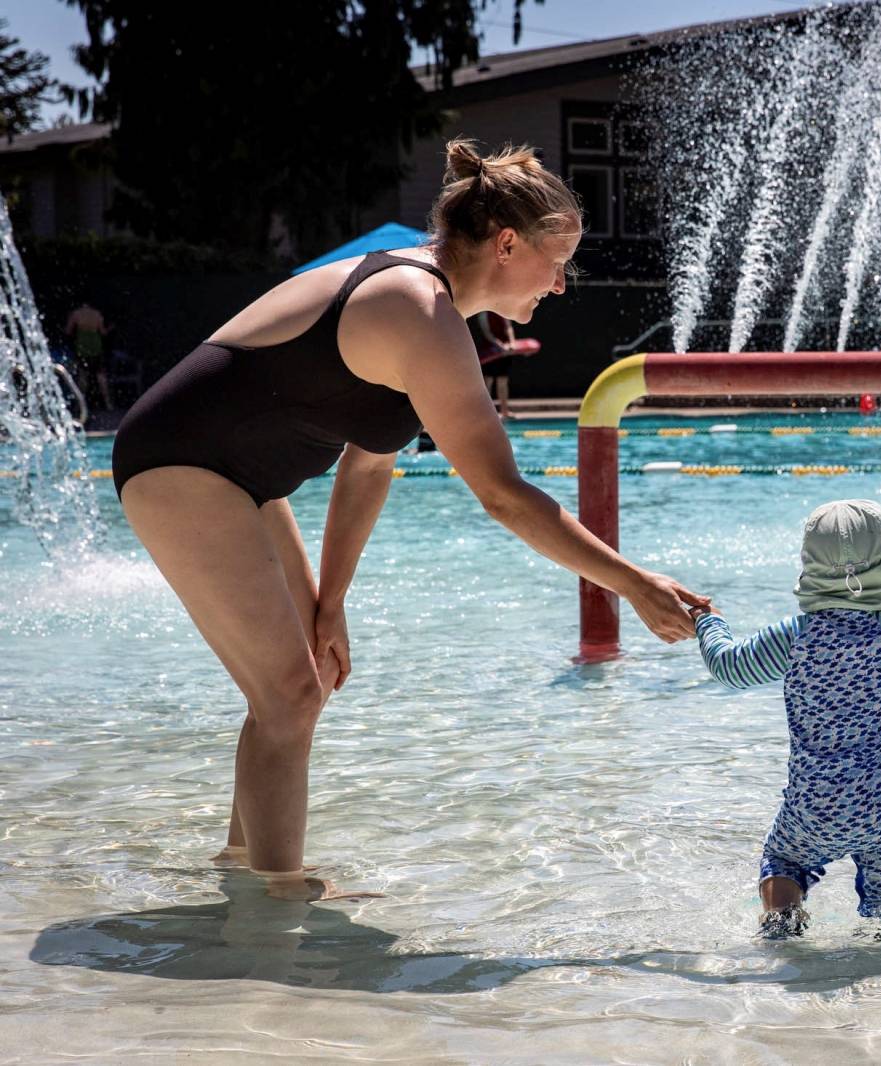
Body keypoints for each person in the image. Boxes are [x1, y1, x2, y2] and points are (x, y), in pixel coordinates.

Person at [111, 138, 708, 900]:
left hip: (245, 482)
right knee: (288, 693)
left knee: (304, 682)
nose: (561, 286)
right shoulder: (412, 303)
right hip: (180, 465)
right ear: (504, 243)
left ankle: (246, 873)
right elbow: (501, 493)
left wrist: (331, 603)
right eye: (557, 263)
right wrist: (631, 583)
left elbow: (368, 465)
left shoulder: (433, 315)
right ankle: (277, 899)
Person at [694, 500, 881, 945]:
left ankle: (783, 919)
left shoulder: (794, 638)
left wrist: (707, 623)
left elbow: (730, 667)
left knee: (785, 860)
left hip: (814, 805)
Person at [64, 301, 111, 410]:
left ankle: (81, 404)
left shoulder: (76, 314)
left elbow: (68, 331)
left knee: (82, 376)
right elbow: (103, 332)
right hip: (96, 346)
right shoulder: (97, 314)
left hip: (82, 347)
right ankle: (108, 403)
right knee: (101, 375)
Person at [471, 310, 516, 418]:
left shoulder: (503, 310)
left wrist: (512, 342)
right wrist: (499, 345)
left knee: (502, 381)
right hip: (489, 351)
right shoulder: (483, 313)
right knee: (488, 382)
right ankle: (486, 412)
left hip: (504, 352)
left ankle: (504, 411)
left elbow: (508, 327)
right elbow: (487, 332)